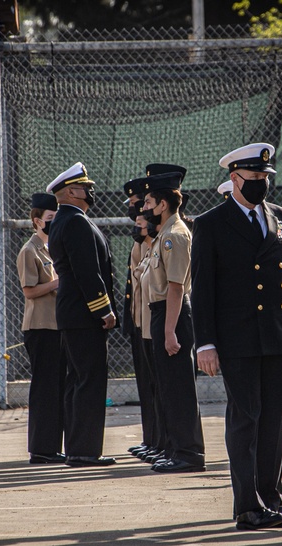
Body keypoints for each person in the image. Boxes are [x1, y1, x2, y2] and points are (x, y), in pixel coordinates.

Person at [191, 143, 282, 530]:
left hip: (279, 337)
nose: (262, 185)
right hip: (237, 340)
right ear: (235, 179)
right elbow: (201, 291)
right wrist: (205, 343)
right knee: (245, 420)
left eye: (266, 178)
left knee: (274, 423)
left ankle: (272, 497)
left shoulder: (280, 217)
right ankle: (247, 505)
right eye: (254, 179)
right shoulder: (211, 223)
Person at [46, 162, 118, 467]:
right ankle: (86, 451)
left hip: (73, 313)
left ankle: (78, 448)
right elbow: (87, 273)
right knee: (89, 381)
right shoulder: (75, 222)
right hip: (85, 315)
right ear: (70, 192)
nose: (90, 192)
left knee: (78, 380)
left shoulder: (64, 220)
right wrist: (104, 309)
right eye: (84, 187)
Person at [139, 171, 205, 473]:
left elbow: (176, 287)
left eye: (149, 202)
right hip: (162, 314)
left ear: (163, 204)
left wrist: (169, 332)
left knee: (179, 389)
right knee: (168, 387)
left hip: (173, 316)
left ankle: (189, 453)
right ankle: (176, 449)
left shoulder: (174, 236)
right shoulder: (163, 234)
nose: (144, 208)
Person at [17, 192, 67, 464]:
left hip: (56, 326)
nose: (53, 222)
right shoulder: (30, 250)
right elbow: (29, 290)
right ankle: (41, 449)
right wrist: (57, 283)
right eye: (49, 218)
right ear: (37, 221)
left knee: (57, 387)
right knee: (45, 389)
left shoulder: (52, 247)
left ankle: (52, 446)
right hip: (40, 327)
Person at [123, 176, 161, 461]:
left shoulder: (161, 238)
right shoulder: (142, 240)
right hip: (142, 320)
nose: (138, 211)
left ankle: (164, 442)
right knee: (148, 387)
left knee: (160, 387)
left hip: (157, 321)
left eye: (141, 205)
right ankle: (154, 440)